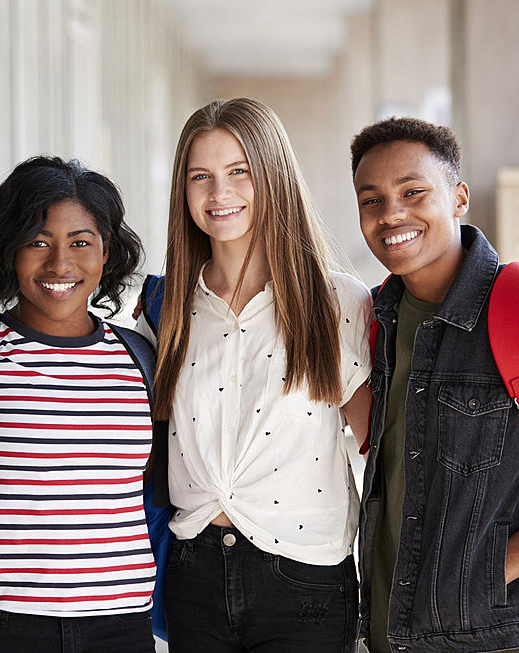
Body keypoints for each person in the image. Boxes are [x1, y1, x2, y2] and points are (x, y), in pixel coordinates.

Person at [350, 116, 519, 652]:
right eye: (371, 200)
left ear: (459, 197)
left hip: (503, 635)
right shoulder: (377, 316)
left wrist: (496, 569)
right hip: (392, 630)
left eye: (413, 191)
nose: (391, 213)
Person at [135, 97, 373, 652]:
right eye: (201, 176)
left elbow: (377, 448)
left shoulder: (334, 299)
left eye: (239, 172)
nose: (220, 193)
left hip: (303, 575)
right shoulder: (166, 307)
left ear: (272, 175)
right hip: (193, 571)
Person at [0, 156, 156, 653]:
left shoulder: (139, 359)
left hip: (119, 627)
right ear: (8, 251)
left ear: (107, 253)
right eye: (38, 242)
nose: (60, 264)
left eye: (80, 243)